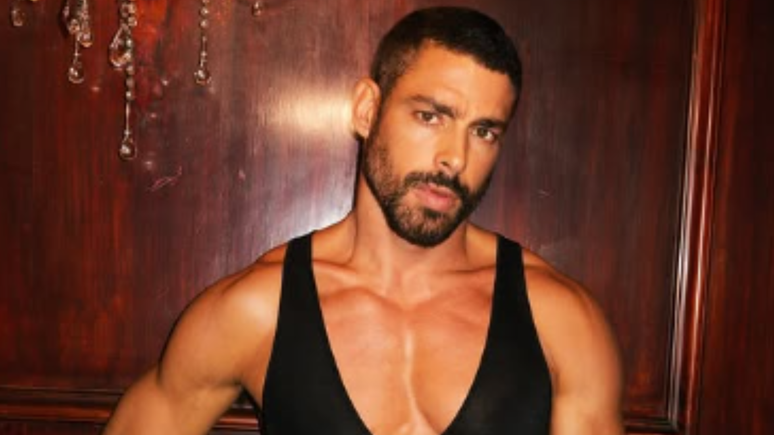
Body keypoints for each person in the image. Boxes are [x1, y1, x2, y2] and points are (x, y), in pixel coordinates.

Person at [103, 6, 623, 435]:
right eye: (430, 116)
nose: (455, 158)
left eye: (484, 131)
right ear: (367, 110)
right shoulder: (255, 312)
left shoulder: (561, 321)